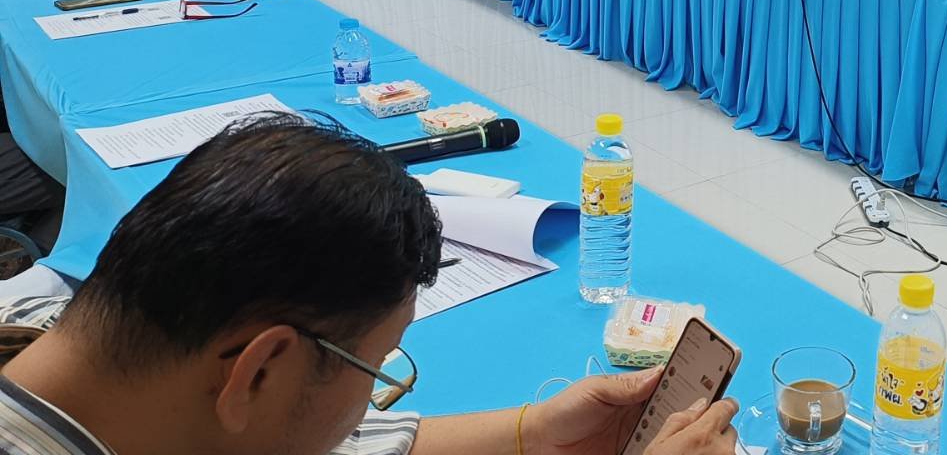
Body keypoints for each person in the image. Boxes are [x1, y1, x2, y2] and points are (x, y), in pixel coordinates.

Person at [0, 112, 738, 455]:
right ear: (259, 371)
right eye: (377, 368)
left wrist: (532, 432)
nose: (368, 407)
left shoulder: (47, 319)